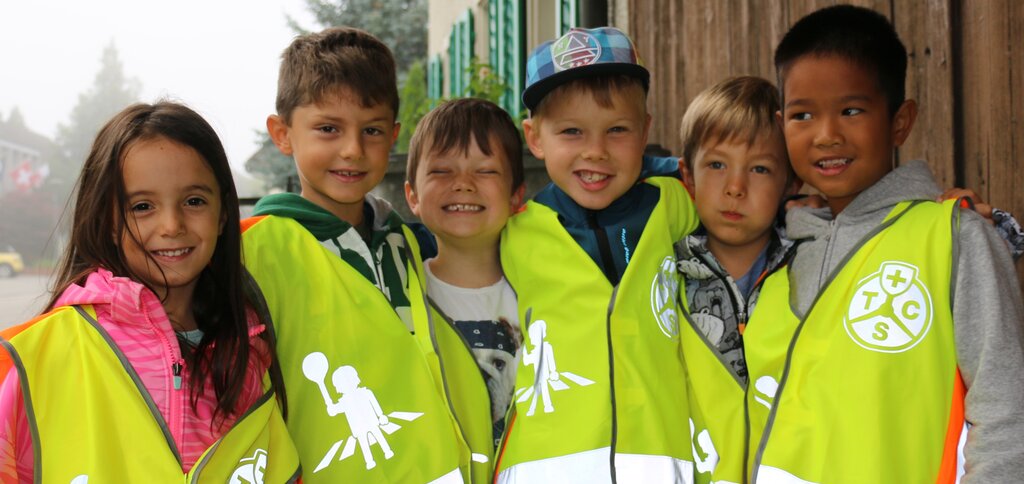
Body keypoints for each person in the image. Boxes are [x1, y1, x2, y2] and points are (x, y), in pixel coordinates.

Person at [743, 6, 1024, 483]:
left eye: (851, 110)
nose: (827, 135)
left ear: (900, 121)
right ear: (781, 124)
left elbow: (1006, 410)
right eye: (802, 115)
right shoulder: (775, 251)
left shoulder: (955, 238)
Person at [0, 102, 299, 482]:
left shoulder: (249, 348)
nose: (171, 225)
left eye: (194, 201)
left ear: (223, 212)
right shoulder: (44, 354)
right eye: (142, 207)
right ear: (106, 219)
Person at [245, 26, 467, 482]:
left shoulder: (411, 243)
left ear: (393, 136)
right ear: (283, 134)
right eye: (328, 128)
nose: (352, 149)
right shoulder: (250, 252)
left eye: (372, 130)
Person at [494, 27, 700, 482]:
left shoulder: (677, 203)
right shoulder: (509, 227)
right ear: (534, 137)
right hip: (542, 463)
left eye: (617, 130)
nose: (596, 151)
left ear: (645, 131)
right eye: (571, 131)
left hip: (661, 458)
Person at [672, 76, 800, 484]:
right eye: (716, 165)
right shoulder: (660, 273)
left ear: (791, 184)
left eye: (760, 168)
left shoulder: (812, 264)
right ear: (687, 177)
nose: (735, 188)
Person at [403, 98, 526, 483]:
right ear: (412, 196)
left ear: (516, 196)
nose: (463, 183)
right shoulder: (398, 297)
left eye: (485, 170)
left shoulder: (544, 294)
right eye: (442, 170)